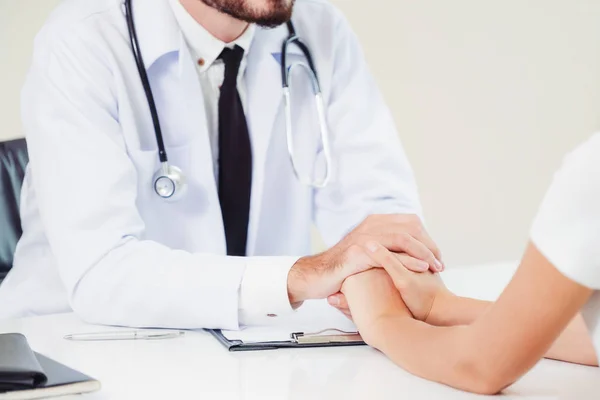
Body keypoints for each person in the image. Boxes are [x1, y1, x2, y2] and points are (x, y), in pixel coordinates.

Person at [0, 0, 443, 329]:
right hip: (77, 346)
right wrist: (305, 275)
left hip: (252, 348)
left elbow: (379, 215)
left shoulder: (319, 29)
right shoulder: (83, 39)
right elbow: (102, 272)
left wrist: (380, 267)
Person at [334, 133, 600, 394]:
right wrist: (441, 306)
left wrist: (383, 321)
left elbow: (480, 364)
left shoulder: (591, 173)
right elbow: (590, 339)